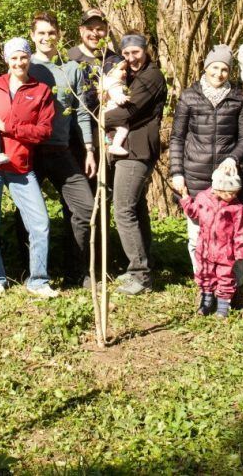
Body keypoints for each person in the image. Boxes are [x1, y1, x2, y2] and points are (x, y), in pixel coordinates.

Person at [0, 38, 58, 298]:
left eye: (23, 57)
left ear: (29, 58)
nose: (19, 62)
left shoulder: (41, 90)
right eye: (14, 58)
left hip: (21, 166)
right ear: (7, 60)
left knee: (40, 223)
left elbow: (43, 131)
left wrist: (9, 128)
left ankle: (38, 280)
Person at [169, 45, 243, 288]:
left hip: (226, 182)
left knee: (232, 238)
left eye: (225, 69)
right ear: (206, 68)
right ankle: (205, 288)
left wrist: (232, 158)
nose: (219, 73)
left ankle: (234, 290)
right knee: (196, 237)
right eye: (215, 67)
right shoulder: (189, 96)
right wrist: (177, 172)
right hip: (195, 176)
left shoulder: (238, 98)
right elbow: (177, 137)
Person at [28, 13, 97, 287]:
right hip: (31, 151)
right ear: (33, 36)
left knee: (85, 208)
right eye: (41, 33)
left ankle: (76, 271)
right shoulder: (24, 66)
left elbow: (81, 113)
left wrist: (89, 148)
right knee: (30, 214)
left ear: (59, 35)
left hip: (61, 150)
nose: (46, 38)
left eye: (51, 33)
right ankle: (31, 271)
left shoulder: (72, 70)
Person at [105, 34, 168, 295]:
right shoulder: (130, 76)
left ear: (145, 50)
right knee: (137, 208)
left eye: (135, 53)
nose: (131, 58)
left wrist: (98, 117)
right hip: (130, 149)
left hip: (137, 150)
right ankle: (143, 266)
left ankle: (140, 275)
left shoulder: (152, 76)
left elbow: (129, 111)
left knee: (123, 210)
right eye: (126, 54)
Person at [176, 162, 243, 319]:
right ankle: (206, 302)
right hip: (205, 249)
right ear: (218, 189)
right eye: (229, 193)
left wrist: (239, 249)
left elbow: (240, 231)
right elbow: (194, 212)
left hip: (225, 251)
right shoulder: (203, 199)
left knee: (225, 277)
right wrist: (186, 199)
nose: (233, 196)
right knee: (205, 275)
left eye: (235, 192)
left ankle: (223, 307)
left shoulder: (236, 208)